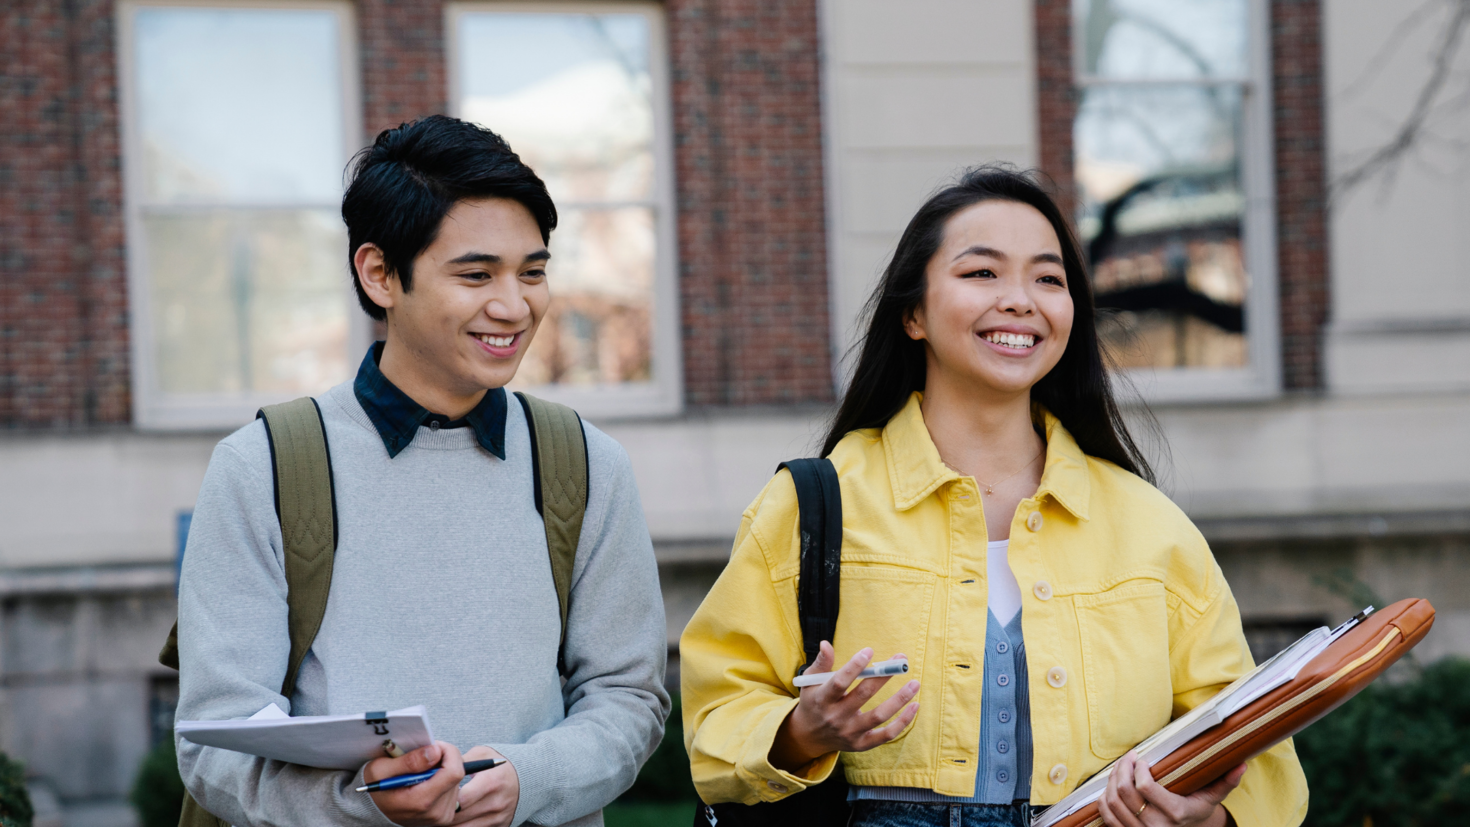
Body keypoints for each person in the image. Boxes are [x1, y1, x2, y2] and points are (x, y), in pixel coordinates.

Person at [680, 167, 1308, 827]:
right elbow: (716, 717)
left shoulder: (1151, 526)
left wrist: (1204, 819)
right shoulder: (811, 505)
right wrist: (804, 731)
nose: (1019, 299)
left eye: (1048, 278)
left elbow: (1261, 759)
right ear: (913, 313)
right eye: (982, 273)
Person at [175, 115, 669, 827]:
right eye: (475, 274)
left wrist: (526, 778)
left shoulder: (587, 463)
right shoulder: (262, 467)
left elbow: (630, 698)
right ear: (380, 274)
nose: (514, 305)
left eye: (532, 272)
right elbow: (213, 740)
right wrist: (366, 802)